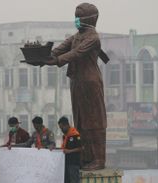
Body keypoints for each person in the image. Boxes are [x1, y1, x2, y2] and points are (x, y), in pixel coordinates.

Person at [42, 3, 108, 170]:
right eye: (75, 17)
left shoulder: (92, 37)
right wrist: (42, 57)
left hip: (90, 82)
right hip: (77, 81)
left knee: (94, 121)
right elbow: (60, 48)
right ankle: (86, 157)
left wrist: (57, 61)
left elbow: (76, 53)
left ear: (91, 19)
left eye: (79, 17)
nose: (76, 20)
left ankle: (98, 159)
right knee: (80, 120)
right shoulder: (77, 36)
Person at [58, 116, 81, 183]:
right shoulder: (65, 136)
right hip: (66, 163)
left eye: (62, 127)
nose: (61, 129)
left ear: (67, 125)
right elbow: (64, 147)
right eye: (60, 128)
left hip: (73, 163)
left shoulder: (75, 134)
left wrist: (69, 151)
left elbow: (81, 148)